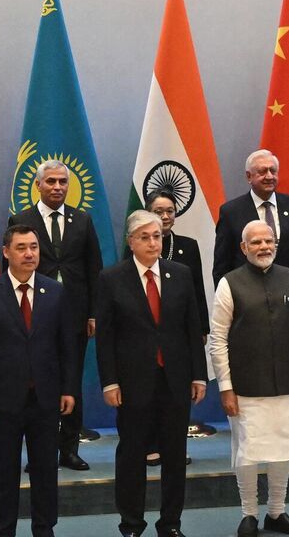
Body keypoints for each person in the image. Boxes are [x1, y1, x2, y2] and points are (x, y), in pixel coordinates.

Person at [98, 210, 209, 537]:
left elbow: (193, 329)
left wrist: (199, 375)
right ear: (131, 242)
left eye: (157, 236)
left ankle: (170, 524)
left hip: (175, 380)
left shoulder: (181, 274)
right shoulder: (112, 278)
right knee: (132, 455)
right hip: (132, 383)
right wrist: (110, 381)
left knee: (175, 455)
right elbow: (105, 337)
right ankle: (131, 524)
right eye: (144, 237)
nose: (152, 243)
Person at [0, 224, 80, 537]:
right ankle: (3, 530)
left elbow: (67, 346)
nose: (30, 253)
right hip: (2, 400)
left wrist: (69, 388)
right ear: (6, 252)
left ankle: (44, 529)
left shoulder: (55, 291)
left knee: (46, 471)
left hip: (45, 398)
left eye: (34, 246)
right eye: (21, 247)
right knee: (3, 472)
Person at [211, 221, 289, 537]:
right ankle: (249, 514)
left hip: (287, 382)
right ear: (244, 248)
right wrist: (226, 387)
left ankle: (276, 512)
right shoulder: (229, 283)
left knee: (282, 448)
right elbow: (218, 339)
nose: (263, 247)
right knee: (249, 449)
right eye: (255, 242)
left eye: (268, 241)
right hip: (244, 386)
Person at [6, 160, 103, 471]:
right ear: (38, 185)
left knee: (70, 380)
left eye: (63, 181)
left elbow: (93, 269)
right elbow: (9, 270)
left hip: (74, 315)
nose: (58, 187)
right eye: (51, 182)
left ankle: (70, 449)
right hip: (33, 316)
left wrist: (93, 313)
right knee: (39, 383)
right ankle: (40, 452)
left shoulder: (82, 220)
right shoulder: (21, 219)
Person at [137, 189, 211, 463]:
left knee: (177, 394)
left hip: (179, 335)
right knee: (151, 391)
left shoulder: (188, 246)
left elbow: (198, 292)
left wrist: (202, 328)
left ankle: (175, 446)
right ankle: (150, 444)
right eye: (159, 211)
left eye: (170, 211)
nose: (165, 216)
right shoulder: (137, 246)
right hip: (147, 335)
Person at [214, 150, 289, 308]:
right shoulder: (231, 212)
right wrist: (226, 304)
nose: (269, 176)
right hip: (247, 301)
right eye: (262, 172)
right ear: (249, 176)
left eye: (273, 171)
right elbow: (222, 264)